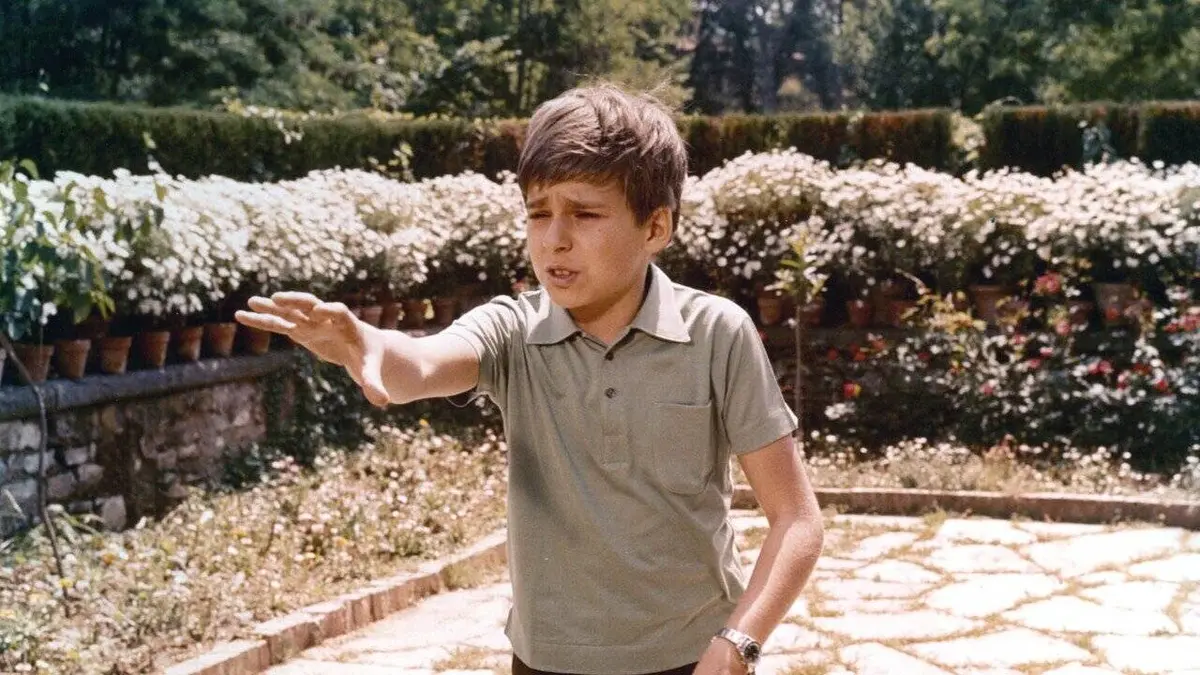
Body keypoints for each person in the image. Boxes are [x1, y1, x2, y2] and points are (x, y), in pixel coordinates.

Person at [235, 83, 824, 675]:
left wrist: (738, 642)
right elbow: (423, 364)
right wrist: (367, 343)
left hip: (693, 658)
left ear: (655, 228)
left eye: (585, 214)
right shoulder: (512, 330)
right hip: (546, 662)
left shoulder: (718, 333)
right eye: (538, 213)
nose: (554, 239)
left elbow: (796, 519)